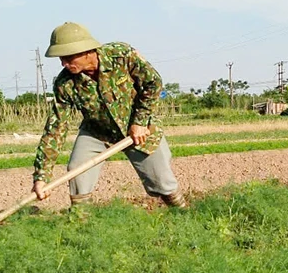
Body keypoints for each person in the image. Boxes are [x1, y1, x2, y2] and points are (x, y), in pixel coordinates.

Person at [31, 21, 186, 208]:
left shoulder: (121, 55)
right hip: (97, 130)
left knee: (162, 183)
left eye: (68, 58)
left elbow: (153, 83)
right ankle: (81, 222)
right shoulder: (65, 83)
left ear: (87, 51)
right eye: (61, 59)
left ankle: (183, 214)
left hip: (137, 129)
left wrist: (140, 121)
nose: (64, 64)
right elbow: (55, 129)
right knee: (77, 172)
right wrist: (41, 177)